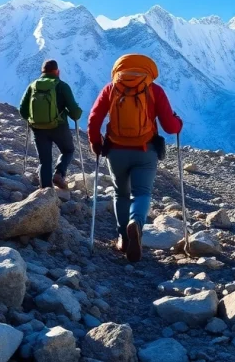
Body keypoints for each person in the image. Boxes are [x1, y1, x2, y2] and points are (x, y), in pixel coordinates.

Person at [87, 53, 182, 263]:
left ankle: (123, 237)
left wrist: (96, 143)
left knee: (121, 193)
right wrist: (178, 124)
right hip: (145, 151)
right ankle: (136, 223)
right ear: (149, 70)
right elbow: (169, 125)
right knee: (142, 193)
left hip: (116, 151)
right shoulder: (154, 90)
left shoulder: (110, 89)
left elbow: (94, 118)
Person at [19, 59, 83, 190]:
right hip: (59, 127)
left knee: (44, 161)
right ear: (57, 71)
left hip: (38, 129)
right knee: (68, 150)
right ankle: (59, 173)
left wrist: (33, 120)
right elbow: (75, 113)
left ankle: (46, 193)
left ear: (42, 72)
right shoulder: (62, 86)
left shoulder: (33, 85)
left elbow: (22, 109)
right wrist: (74, 113)